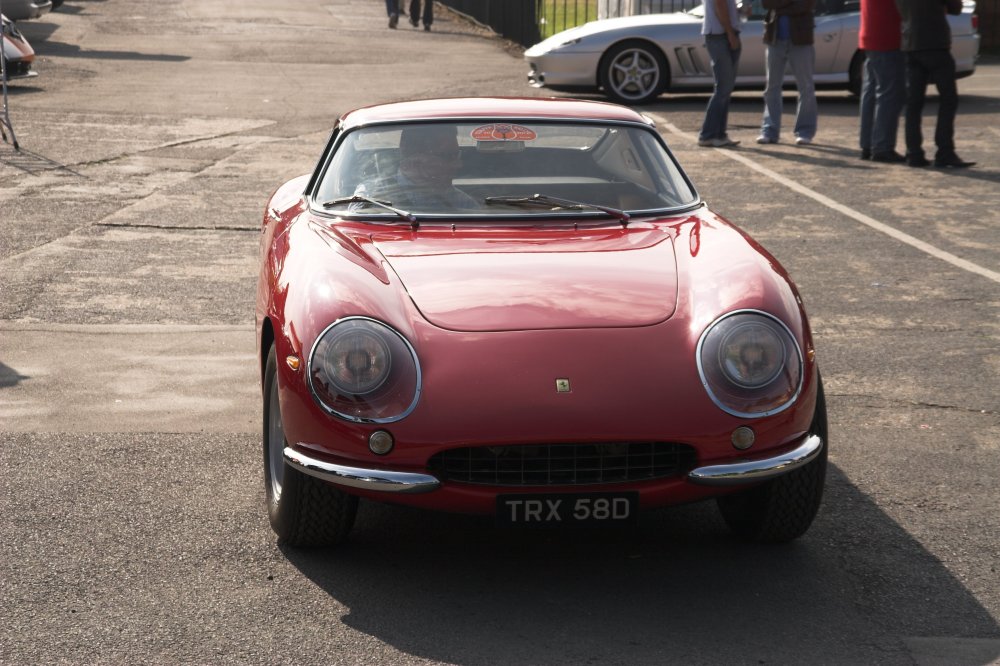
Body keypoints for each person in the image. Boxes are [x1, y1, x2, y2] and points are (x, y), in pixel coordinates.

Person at [896, 0, 975, 168]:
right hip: (935, 43)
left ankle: (914, 153)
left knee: (914, 103)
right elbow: (956, 8)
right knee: (948, 99)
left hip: (910, 43)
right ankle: (945, 151)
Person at [356, 125, 477, 211]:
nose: (458, 164)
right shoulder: (370, 195)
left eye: (457, 155)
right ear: (415, 160)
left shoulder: (462, 203)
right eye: (448, 156)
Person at [756, 0, 817, 146]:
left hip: (801, 39)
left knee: (806, 87)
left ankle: (805, 131)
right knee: (772, 87)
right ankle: (769, 131)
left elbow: (806, 5)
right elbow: (766, 3)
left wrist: (779, 5)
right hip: (775, 38)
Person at [858, 0, 906, 162]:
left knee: (871, 92)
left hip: (871, 34)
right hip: (888, 37)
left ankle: (868, 144)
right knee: (890, 94)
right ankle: (882, 147)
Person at [697, 0, 744, 147]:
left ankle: (719, 134)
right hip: (720, 35)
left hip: (721, 34)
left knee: (725, 88)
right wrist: (730, 33)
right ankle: (708, 134)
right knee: (723, 88)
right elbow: (720, 6)